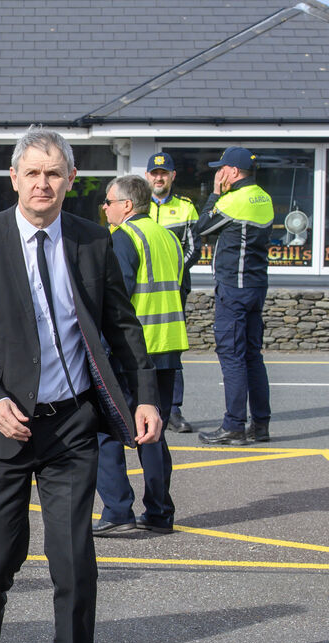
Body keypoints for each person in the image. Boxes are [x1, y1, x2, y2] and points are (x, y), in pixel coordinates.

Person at [0, 126, 161, 643]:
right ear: (15, 179)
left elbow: (122, 327)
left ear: (70, 180)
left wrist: (145, 396)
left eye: (54, 173)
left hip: (70, 427)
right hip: (0, 430)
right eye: (32, 172)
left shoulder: (94, 242)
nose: (43, 183)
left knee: (73, 563)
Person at [94, 176, 188, 536]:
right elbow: (183, 288)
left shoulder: (124, 238)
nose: (105, 208)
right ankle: (160, 513)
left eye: (108, 202)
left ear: (127, 206)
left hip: (132, 353)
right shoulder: (167, 237)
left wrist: (101, 350)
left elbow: (115, 301)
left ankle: (118, 510)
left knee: (107, 430)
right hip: (167, 346)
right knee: (154, 432)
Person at [194, 147, 275, 446]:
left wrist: (215, 193)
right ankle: (261, 425)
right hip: (256, 286)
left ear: (233, 172)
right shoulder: (263, 197)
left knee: (232, 356)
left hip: (234, 287)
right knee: (253, 356)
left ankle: (234, 426)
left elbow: (202, 226)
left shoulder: (233, 200)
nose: (218, 174)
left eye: (221, 169)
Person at [145, 152, 200, 434]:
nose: (158, 177)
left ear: (172, 176)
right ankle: (144, 405)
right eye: (154, 173)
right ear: (147, 176)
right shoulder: (138, 206)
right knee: (140, 346)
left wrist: (171, 274)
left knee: (171, 347)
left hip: (174, 289)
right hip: (143, 291)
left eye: (163, 173)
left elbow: (193, 249)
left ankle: (173, 410)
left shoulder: (186, 208)